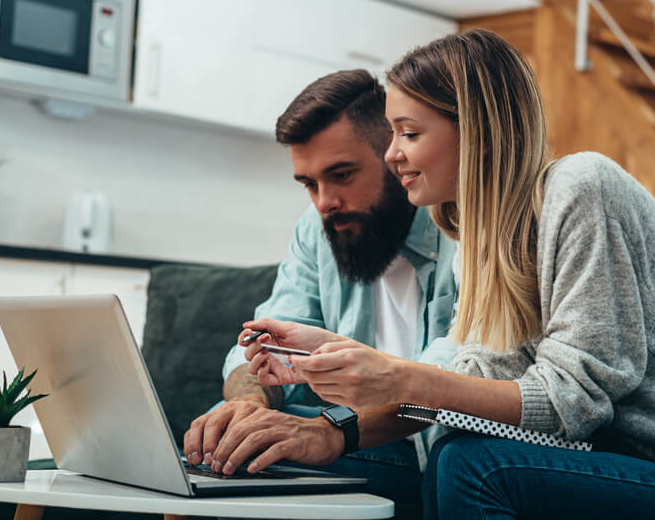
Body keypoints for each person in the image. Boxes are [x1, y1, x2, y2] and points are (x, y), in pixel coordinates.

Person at [229, 30, 655, 520]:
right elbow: (465, 390)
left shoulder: (583, 188)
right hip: (641, 467)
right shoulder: (474, 230)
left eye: (409, 132)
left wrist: (395, 377)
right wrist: (342, 386)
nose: (393, 154)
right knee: (423, 450)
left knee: (473, 465)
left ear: (480, 132)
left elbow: (573, 399)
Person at [182, 68, 459, 505]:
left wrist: (331, 430)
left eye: (342, 175)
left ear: (393, 153)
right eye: (309, 184)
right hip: (362, 442)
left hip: (440, 446)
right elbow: (262, 346)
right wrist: (250, 403)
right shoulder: (317, 230)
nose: (323, 202)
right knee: (231, 431)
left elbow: (452, 388)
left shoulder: (459, 229)